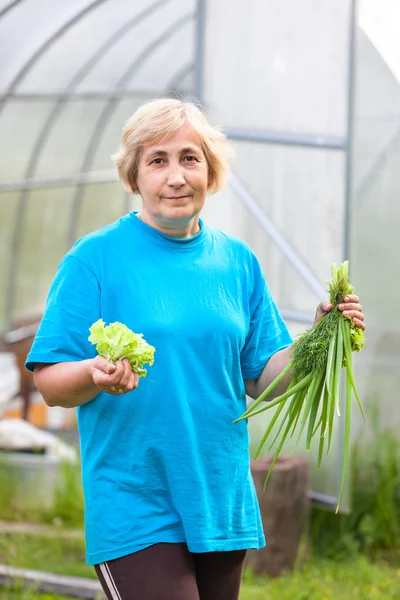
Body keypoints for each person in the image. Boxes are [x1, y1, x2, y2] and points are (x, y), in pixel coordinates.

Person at [26, 98, 365, 600]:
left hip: (218, 495)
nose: (176, 176)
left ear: (210, 169)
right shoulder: (94, 260)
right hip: (135, 500)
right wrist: (92, 374)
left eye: (190, 158)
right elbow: (50, 383)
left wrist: (320, 340)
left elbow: (261, 378)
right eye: (157, 160)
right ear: (134, 176)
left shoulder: (236, 262)